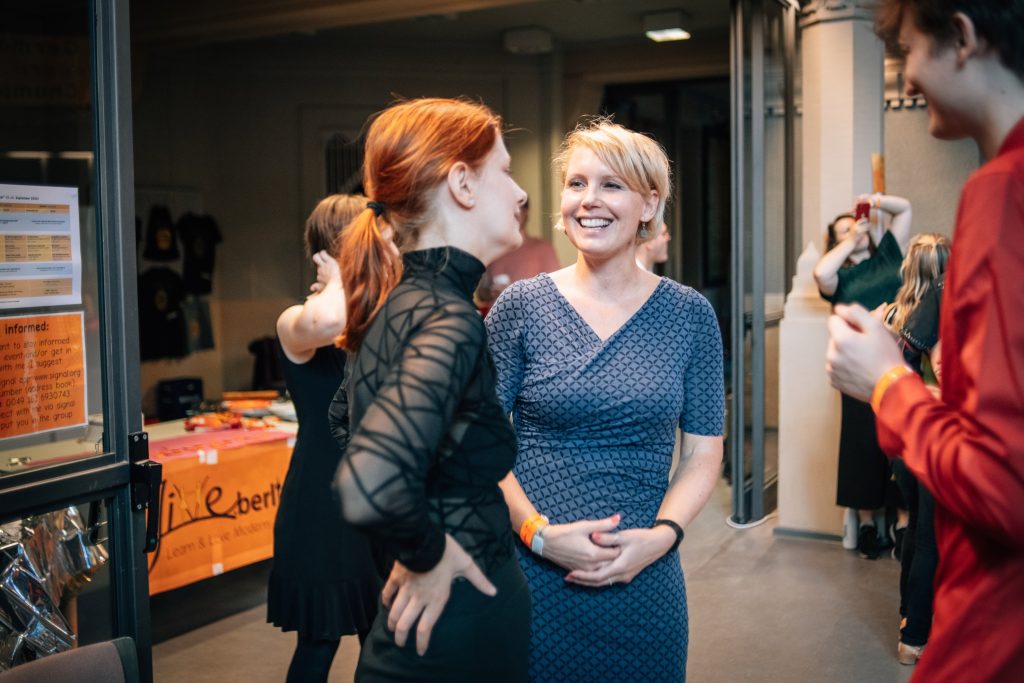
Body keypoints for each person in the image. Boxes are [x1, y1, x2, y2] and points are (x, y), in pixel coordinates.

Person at [486, 119, 724, 682]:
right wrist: (538, 534)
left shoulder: (690, 316)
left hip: (644, 576)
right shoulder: (521, 308)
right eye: (576, 183)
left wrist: (662, 538)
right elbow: (480, 443)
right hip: (531, 573)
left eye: (611, 185)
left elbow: (702, 453)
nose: (588, 200)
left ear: (650, 204)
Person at [826, 1, 1024, 680]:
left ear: (962, 38)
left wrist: (887, 383)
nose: (906, 79)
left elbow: (1004, 483)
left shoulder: (1003, 192)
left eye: (908, 50)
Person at [329, 97, 530, 682]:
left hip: (434, 622)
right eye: (505, 170)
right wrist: (429, 551)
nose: (520, 192)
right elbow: (369, 481)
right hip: (455, 628)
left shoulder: (396, 303)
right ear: (462, 183)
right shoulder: (446, 317)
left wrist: (417, 537)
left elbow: (344, 421)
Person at [267, 194, 393, 683]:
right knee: (318, 643)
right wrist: (342, 278)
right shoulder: (296, 321)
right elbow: (328, 321)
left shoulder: (378, 320)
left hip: (378, 501)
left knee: (381, 641)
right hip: (322, 502)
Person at [813, 193, 912, 558]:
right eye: (843, 231)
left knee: (902, 444)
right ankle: (868, 524)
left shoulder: (887, 255)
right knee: (863, 444)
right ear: (835, 241)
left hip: (901, 361)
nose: (853, 230)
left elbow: (906, 210)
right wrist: (850, 241)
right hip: (858, 371)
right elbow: (820, 273)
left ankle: (902, 522)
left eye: (855, 225)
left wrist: (876, 200)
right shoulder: (839, 279)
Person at [882, 233, 949, 665]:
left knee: (914, 528)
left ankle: (909, 620)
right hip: (935, 434)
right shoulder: (948, 312)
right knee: (930, 538)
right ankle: (918, 632)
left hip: (903, 437)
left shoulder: (893, 312)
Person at [476, 195, 560, 313]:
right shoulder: (493, 250)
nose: (512, 214)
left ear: (526, 212)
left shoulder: (543, 249)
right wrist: (489, 291)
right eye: (507, 209)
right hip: (496, 321)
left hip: (529, 321)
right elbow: (481, 294)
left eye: (517, 208)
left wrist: (513, 294)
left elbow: (555, 294)